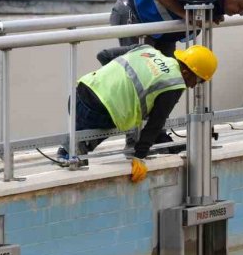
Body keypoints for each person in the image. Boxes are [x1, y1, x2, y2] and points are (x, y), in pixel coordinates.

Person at [58, 44, 218, 182]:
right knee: (123, 115)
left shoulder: (146, 50)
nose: (193, 86)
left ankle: (71, 148)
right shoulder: (174, 83)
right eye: (198, 81)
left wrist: (113, 85)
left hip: (80, 92)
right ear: (187, 72)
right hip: (98, 113)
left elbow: (103, 55)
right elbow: (155, 124)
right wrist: (139, 157)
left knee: (122, 109)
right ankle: (73, 148)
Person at [97, 0, 243, 64]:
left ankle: (154, 125)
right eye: (240, 6)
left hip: (157, 28)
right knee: (140, 70)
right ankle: (109, 58)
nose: (240, 13)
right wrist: (186, 15)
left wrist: (214, 13)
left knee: (167, 76)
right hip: (133, 12)